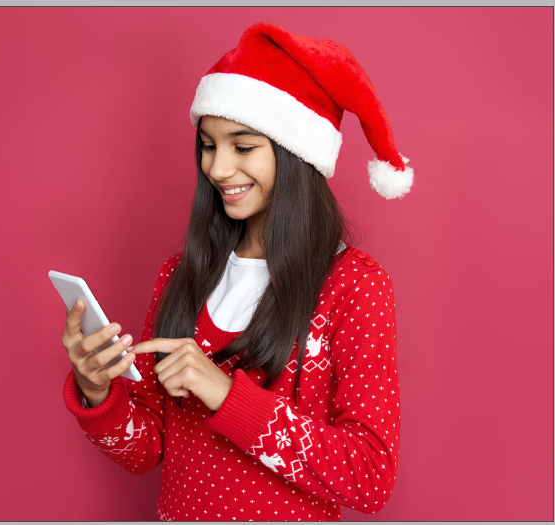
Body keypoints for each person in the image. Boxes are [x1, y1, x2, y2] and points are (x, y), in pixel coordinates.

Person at [60, 22, 410, 521]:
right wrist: (98, 390)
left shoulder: (353, 285)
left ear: (296, 154)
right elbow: (147, 450)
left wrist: (227, 395)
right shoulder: (182, 273)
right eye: (208, 145)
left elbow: (370, 477)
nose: (218, 168)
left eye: (243, 147)